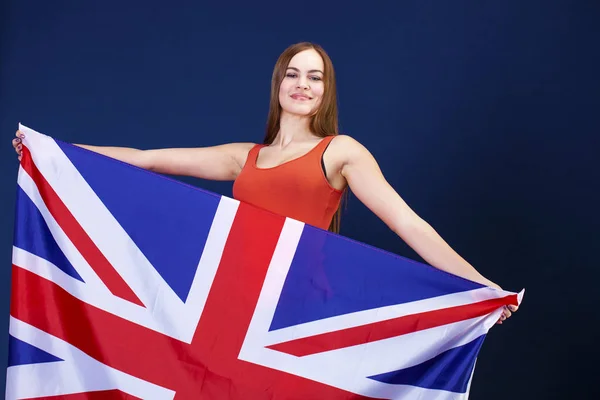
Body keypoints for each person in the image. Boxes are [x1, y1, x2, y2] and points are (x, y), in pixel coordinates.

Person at [12, 42, 517, 323]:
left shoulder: (340, 151)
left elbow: (409, 223)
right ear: (278, 84)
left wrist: (481, 286)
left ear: (325, 92)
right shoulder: (243, 157)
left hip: (300, 304)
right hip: (234, 302)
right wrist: (52, 150)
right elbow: (147, 159)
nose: (302, 84)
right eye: (293, 74)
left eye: (315, 77)